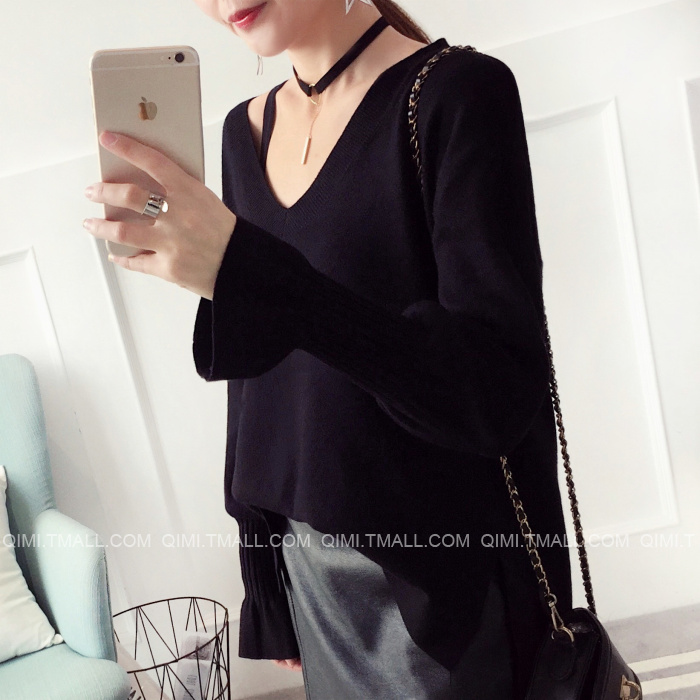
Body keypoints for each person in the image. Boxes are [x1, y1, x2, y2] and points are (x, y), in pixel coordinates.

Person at [83, 0, 574, 697]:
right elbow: (257, 388)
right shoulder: (243, 133)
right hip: (311, 571)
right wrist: (265, 575)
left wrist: (256, 273)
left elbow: (491, 393)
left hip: (442, 582)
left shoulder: (457, 92)